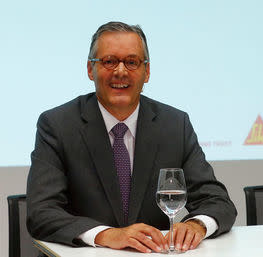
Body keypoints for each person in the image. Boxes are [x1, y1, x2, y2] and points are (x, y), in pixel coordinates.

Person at [27, 21, 236, 253]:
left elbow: (218, 201)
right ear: (90, 69)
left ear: (146, 71)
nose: (120, 71)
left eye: (132, 62)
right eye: (109, 61)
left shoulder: (175, 125)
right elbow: (41, 212)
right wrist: (106, 234)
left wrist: (197, 224)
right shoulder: (57, 125)